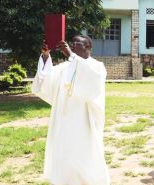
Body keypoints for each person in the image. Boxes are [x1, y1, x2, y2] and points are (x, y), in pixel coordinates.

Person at [32, 35, 110, 185]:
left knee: (84, 159)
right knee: (65, 158)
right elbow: (46, 79)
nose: (72, 45)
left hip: (84, 123)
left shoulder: (97, 66)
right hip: (63, 121)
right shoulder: (65, 67)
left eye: (77, 43)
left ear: (88, 48)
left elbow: (92, 80)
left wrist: (71, 56)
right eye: (71, 43)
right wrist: (46, 55)